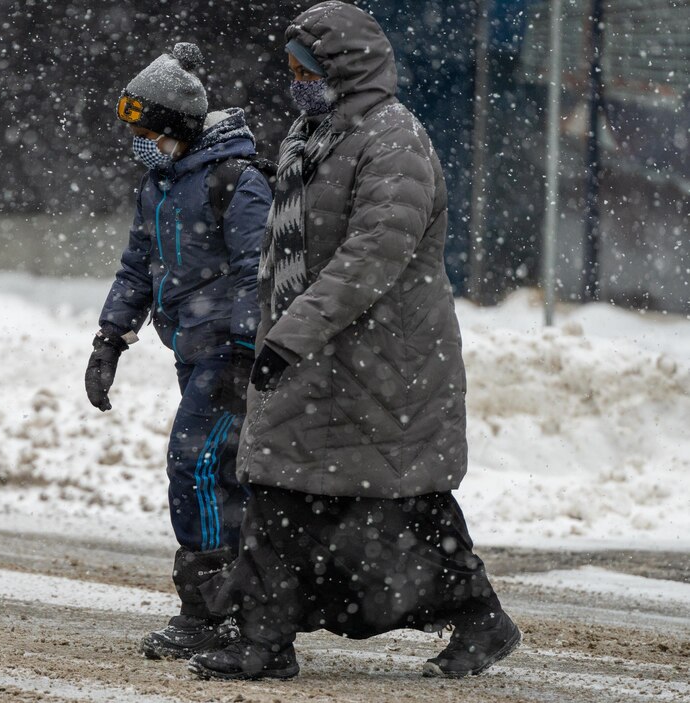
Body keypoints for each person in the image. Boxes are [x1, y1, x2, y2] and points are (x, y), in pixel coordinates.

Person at [188, 1, 520, 681]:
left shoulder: (393, 140)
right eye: (289, 67)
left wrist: (290, 335)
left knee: (394, 496)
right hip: (325, 355)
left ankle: (475, 615)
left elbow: (373, 254)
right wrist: (267, 333)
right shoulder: (316, 134)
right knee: (288, 488)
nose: (293, 80)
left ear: (342, 68)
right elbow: (289, 254)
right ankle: (265, 634)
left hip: (384, 361)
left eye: (303, 68)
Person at [85, 42, 272, 661]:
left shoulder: (236, 180)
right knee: (215, 473)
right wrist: (110, 339)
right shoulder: (160, 183)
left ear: (174, 127)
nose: (136, 140)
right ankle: (235, 604)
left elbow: (256, 271)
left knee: (195, 466)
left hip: (229, 353)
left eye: (143, 129)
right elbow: (138, 266)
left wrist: (246, 348)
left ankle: (213, 611)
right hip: (191, 348)